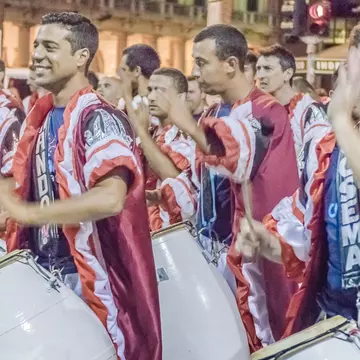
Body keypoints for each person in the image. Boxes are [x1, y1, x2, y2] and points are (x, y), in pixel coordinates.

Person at [0, 12, 161, 360]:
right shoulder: (40, 119)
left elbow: (111, 197)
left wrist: (30, 212)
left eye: (50, 47)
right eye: (37, 45)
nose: (37, 54)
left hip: (87, 284)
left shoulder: (98, 117)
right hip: (45, 278)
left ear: (81, 57)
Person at [158, 24, 299, 352]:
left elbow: (235, 157)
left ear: (231, 64)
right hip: (213, 250)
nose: (195, 72)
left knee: (263, 338)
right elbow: (203, 179)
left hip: (257, 257)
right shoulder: (212, 111)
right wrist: (166, 193)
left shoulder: (266, 111)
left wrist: (184, 123)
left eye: (202, 63)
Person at [235, 26, 360, 340]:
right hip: (336, 329)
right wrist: (269, 243)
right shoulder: (329, 150)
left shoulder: (338, 133)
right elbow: (310, 241)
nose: (347, 86)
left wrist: (342, 122)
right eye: (349, 73)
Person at [120, 67, 198, 231]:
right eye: (150, 90)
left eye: (161, 90)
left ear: (180, 97)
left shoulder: (185, 135)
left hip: (174, 234)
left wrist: (141, 131)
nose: (152, 97)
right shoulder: (151, 133)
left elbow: (174, 178)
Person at [257, 45, 328, 173]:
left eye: (267, 68)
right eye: (258, 69)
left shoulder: (309, 112)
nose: (260, 75)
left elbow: (317, 162)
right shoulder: (255, 113)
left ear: (287, 73)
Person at [117, 44, 160, 111]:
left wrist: (127, 96)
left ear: (137, 71)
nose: (120, 75)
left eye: (124, 69)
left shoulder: (148, 104)